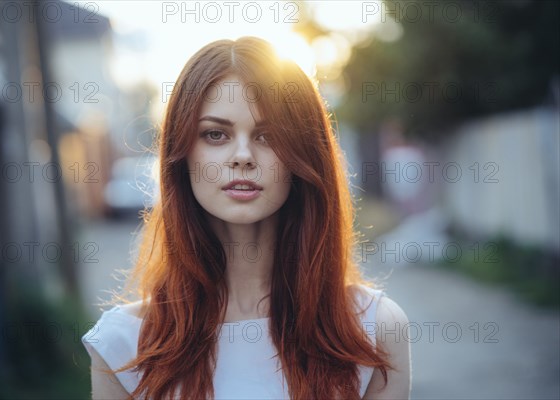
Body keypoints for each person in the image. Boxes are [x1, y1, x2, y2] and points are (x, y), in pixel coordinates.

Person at [82, 36, 411, 399]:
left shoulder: (373, 330)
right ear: (181, 156)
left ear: (304, 157)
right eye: (215, 134)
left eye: (268, 135)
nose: (242, 156)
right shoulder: (122, 346)